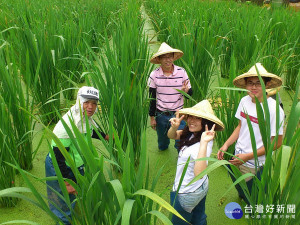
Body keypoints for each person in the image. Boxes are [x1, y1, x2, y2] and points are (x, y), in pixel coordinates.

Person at [217, 63, 285, 204]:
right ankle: (243, 195)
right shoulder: (244, 101)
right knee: (240, 186)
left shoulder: (273, 110)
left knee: (255, 198)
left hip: (255, 163)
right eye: (250, 83)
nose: (253, 87)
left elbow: (277, 143)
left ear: (267, 84)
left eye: (258, 83)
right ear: (246, 85)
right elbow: (240, 126)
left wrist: (248, 156)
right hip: (237, 155)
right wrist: (226, 145)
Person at [45, 86, 108, 225]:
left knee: (73, 195)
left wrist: (105, 136)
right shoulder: (67, 124)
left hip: (76, 164)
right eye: (86, 102)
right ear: (79, 101)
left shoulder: (85, 118)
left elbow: (90, 131)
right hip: (60, 166)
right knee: (62, 202)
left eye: (94, 103)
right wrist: (66, 182)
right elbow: (58, 155)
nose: (90, 107)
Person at [168, 100, 224, 224]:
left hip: (186, 193)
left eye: (197, 118)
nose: (191, 121)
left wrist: (204, 143)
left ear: (206, 122)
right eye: (190, 117)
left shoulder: (203, 142)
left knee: (179, 221)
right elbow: (172, 136)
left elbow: (199, 173)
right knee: (199, 217)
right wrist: (174, 127)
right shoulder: (192, 133)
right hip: (201, 187)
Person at [148, 42, 193, 151]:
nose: (167, 60)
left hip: (179, 114)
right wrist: (152, 118)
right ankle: (163, 149)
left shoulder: (181, 72)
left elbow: (190, 94)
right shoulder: (154, 75)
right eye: (164, 57)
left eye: (170, 57)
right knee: (162, 142)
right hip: (161, 114)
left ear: (173, 58)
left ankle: (180, 156)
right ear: (159, 59)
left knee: (180, 140)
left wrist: (185, 91)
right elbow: (152, 98)